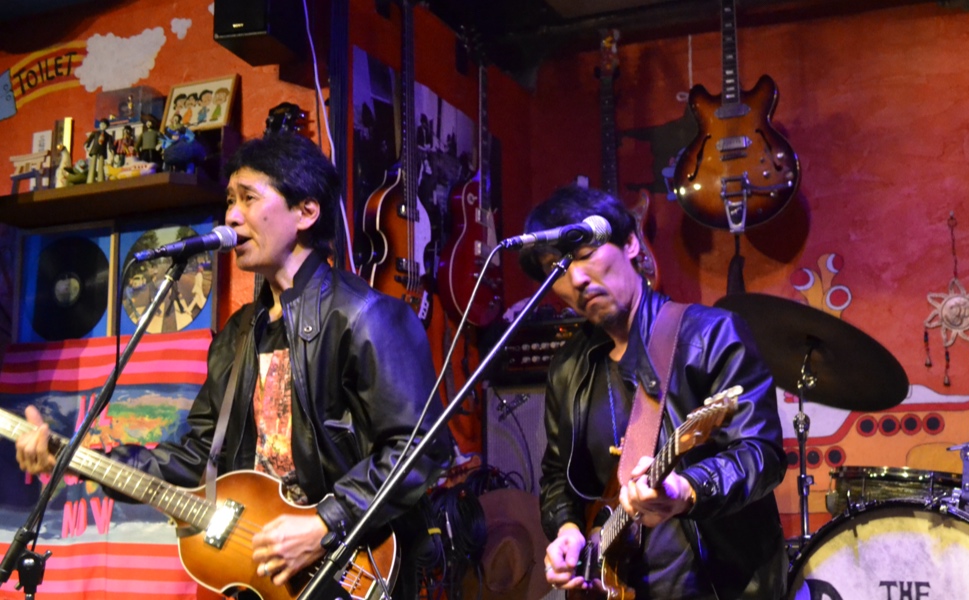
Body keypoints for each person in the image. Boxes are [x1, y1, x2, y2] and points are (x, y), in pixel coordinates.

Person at [14, 133, 449, 598]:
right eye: (229, 201)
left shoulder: (366, 317)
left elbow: (420, 448)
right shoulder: (237, 336)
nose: (232, 217)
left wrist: (324, 523)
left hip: (347, 567)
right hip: (263, 578)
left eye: (248, 198)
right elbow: (196, 459)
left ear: (306, 212)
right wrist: (76, 458)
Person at [526, 186, 786, 600]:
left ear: (630, 243)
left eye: (585, 253)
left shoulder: (711, 336)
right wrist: (568, 529)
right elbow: (558, 475)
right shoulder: (568, 369)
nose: (575, 278)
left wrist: (688, 490)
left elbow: (761, 454)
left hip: (720, 588)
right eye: (555, 268)